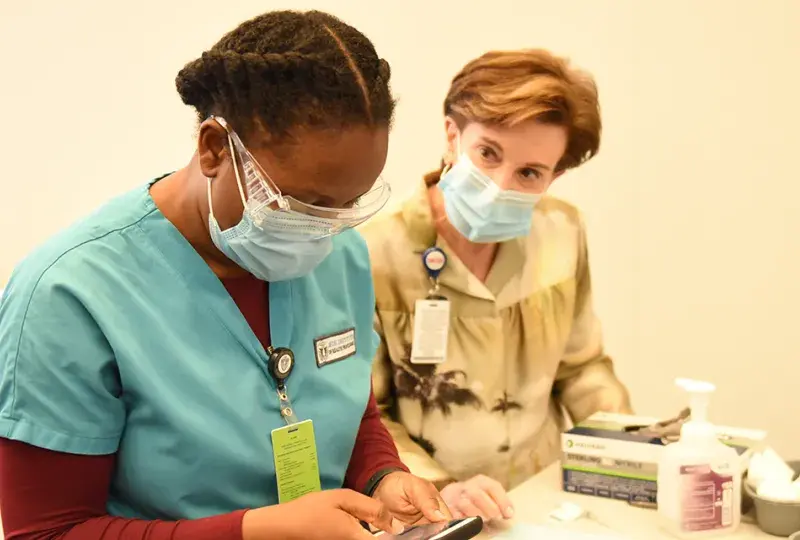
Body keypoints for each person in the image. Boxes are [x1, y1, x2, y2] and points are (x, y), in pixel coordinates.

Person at [0, 10, 450, 540]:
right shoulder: (70, 296)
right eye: (301, 205)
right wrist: (253, 531)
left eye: (348, 206)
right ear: (215, 148)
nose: (323, 232)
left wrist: (382, 475)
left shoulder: (341, 255)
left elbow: (349, 407)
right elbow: (47, 532)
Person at [361, 49, 633, 522]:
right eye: (488, 153)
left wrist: (631, 450)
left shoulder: (562, 233)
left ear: (555, 176)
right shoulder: (373, 250)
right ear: (452, 135)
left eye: (529, 173)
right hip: (432, 511)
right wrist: (443, 491)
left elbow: (582, 369)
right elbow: (368, 416)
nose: (499, 184)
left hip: (543, 499)